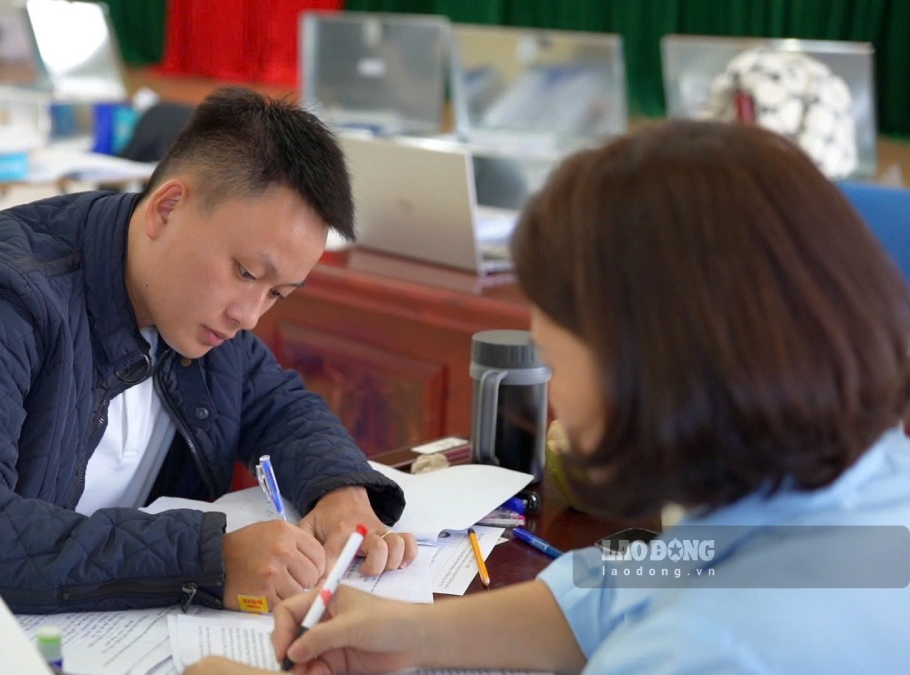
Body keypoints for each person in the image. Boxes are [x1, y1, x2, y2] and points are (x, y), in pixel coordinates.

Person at [186, 120, 910, 674]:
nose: (554, 402)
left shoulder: (709, 648)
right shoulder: (862, 482)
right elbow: (619, 586)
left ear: (650, 373)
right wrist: (402, 630)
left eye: (556, 363)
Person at [0, 87, 419, 614]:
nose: (249, 314)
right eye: (247, 273)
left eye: (277, 293)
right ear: (167, 209)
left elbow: (278, 406)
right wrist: (206, 558)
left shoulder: (200, 315)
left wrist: (339, 490)